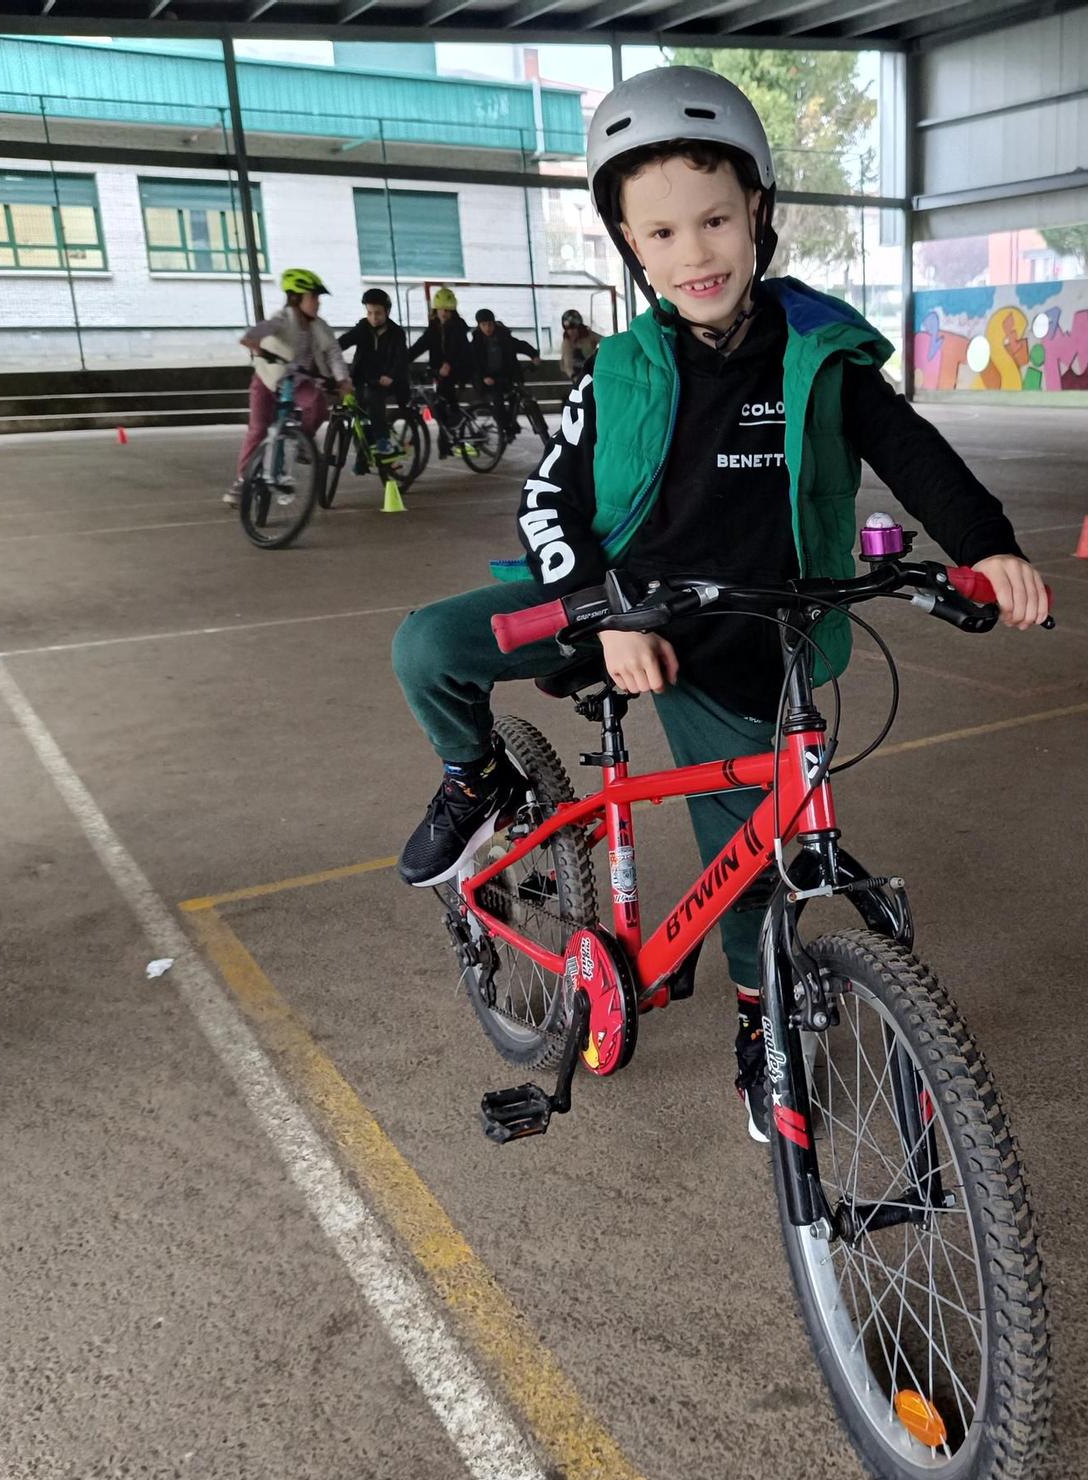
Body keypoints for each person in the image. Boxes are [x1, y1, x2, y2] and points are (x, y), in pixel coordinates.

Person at [389, 67, 1050, 1142]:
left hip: (744, 628)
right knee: (428, 646)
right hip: (612, 603)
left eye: (713, 220)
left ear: (757, 219)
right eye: (660, 233)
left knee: (751, 852)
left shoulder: (819, 356)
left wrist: (988, 550)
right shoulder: (616, 371)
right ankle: (474, 778)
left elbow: (914, 455)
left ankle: (763, 1020)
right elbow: (548, 499)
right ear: (630, 246)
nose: (692, 252)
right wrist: (609, 614)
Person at [225, 267, 350, 505]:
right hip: (268, 378)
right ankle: (242, 482)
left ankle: (303, 442)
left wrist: (342, 380)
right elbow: (265, 328)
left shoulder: (319, 326)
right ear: (296, 298)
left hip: (298, 379)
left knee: (318, 405)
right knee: (259, 427)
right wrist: (253, 340)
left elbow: (333, 352)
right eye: (313, 297)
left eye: (318, 298)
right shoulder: (284, 318)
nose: (317, 303)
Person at [337, 286, 410, 462]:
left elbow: (401, 359)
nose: (373, 318)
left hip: (387, 381)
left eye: (378, 313)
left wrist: (390, 375)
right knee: (358, 415)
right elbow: (345, 341)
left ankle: (383, 440)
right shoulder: (363, 327)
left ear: (387, 312)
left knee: (374, 398)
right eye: (369, 313)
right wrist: (329, 350)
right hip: (363, 378)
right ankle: (363, 455)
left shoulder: (396, 333)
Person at [472, 308, 550, 442]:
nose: (487, 328)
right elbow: (474, 363)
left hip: (507, 375)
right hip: (489, 380)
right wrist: (484, 377)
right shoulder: (476, 343)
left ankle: (513, 423)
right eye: (484, 325)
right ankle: (506, 429)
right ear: (479, 326)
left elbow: (520, 345)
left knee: (517, 397)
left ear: (494, 323)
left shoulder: (504, 337)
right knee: (498, 403)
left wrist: (534, 355)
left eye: (490, 324)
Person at [409, 285, 476, 437]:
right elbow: (420, 345)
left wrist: (449, 363)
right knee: (437, 403)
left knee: (444, 391)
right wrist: (402, 360)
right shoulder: (434, 328)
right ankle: (449, 436)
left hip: (460, 367)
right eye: (441, 309)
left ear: (453, 311)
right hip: (441, 369)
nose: (444, 313)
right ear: (435, 310)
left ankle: (456, 420)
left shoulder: (458, 327)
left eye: (447, 310)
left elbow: (458, 350)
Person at [558, 307, 601, 381]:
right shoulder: (567, 343)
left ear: (579, 327)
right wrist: (574, 377)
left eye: (573, 328)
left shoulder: (590, 335)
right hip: (576, 375)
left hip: (592, 371)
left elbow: (605, 341)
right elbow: (568, 364)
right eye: (568, 329)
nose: (571, 332)